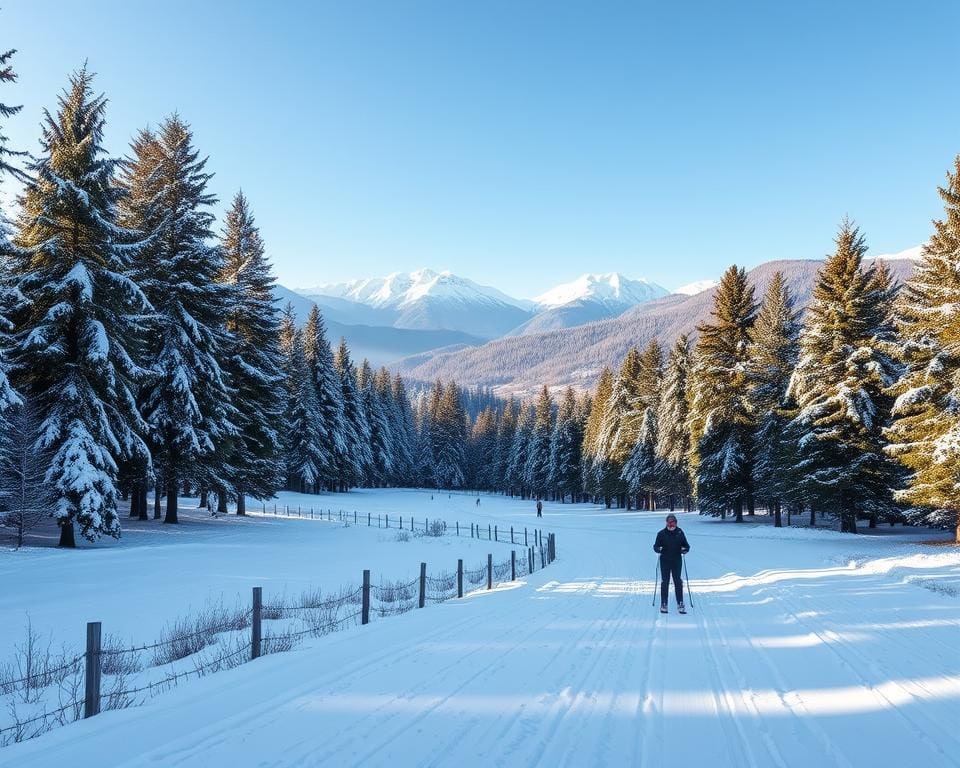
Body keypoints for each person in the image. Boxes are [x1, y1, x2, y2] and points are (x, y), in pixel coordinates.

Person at [653, 513, 690, 614]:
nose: (671, 524)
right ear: (666, 523)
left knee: (678, 581)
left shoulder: (680, 532)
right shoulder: (661, 534)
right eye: (669, 522)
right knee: (665, 582)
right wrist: (657, 549)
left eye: (672, 522)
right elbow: (655, 546)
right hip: (664, 560)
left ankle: (680, 603)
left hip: (677, 560)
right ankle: (664, 603)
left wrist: (685, 550)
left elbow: (686, 545)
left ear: (676, 523)